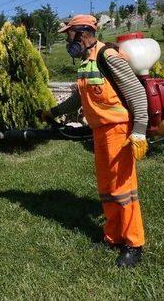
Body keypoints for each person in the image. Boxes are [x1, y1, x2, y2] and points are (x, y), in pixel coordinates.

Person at [39, 14, 149, 268]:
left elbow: (136, 92)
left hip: (119, 131)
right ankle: (112, 236)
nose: (67, 39)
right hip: (99, 132)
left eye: (68, 34)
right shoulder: (85, 63)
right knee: (107, 188)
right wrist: (52, 113)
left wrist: (140, 130)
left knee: (123, 189)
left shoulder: (107, 56)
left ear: (81, 33)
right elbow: (77, 99)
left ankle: (133, 244)